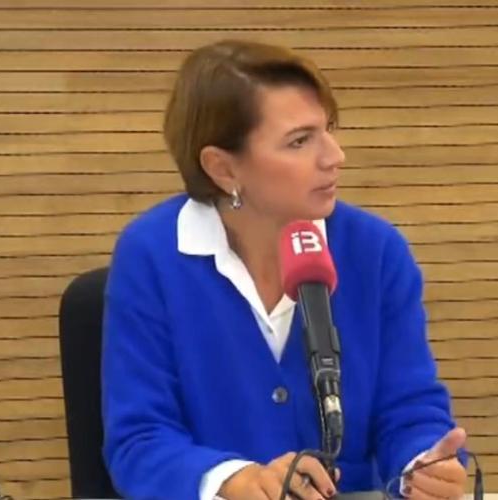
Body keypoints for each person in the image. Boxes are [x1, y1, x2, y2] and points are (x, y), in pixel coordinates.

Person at [101, 39, 469, 500]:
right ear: (223, 168)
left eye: (328, 129)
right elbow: (138, 440)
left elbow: (408, 410)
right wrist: (235, 480)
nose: (334, 156)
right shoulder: (152, 256)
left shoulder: (374, 251)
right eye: (300, 141)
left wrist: (422, 466)